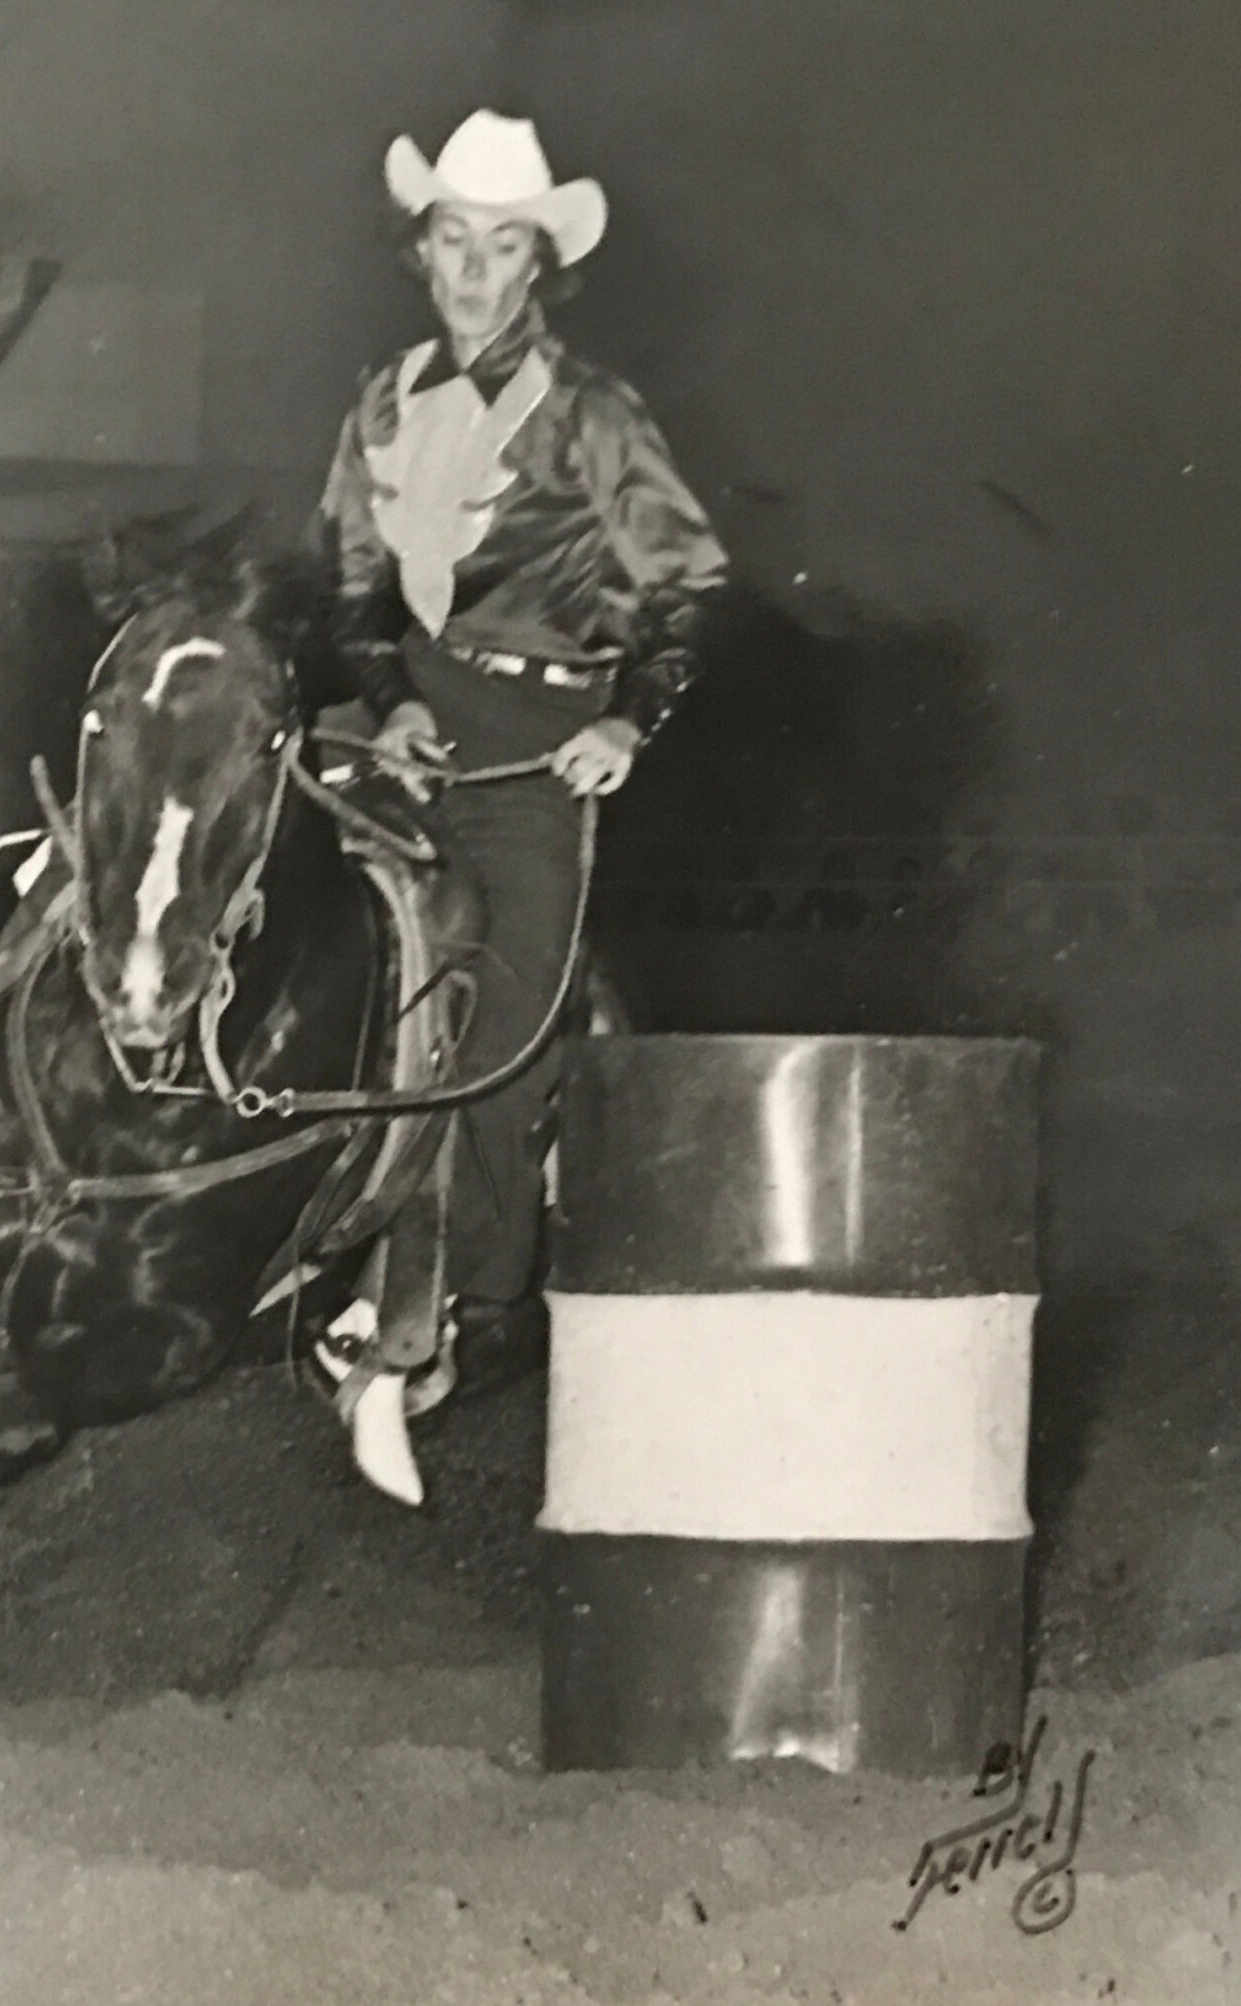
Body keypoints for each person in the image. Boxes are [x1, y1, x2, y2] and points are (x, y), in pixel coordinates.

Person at [318, 109, 731, 1359]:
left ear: (536, 263)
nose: (474, 269)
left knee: (504, 1026)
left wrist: (624, 718)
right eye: (454, 239)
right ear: (423, 249)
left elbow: (691, 588)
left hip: (535, 738)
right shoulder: (378, 402)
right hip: (403, 716)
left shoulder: (592, 411)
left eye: (502, 246)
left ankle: (468, 1298)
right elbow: (349, 594)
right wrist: (388, 698)